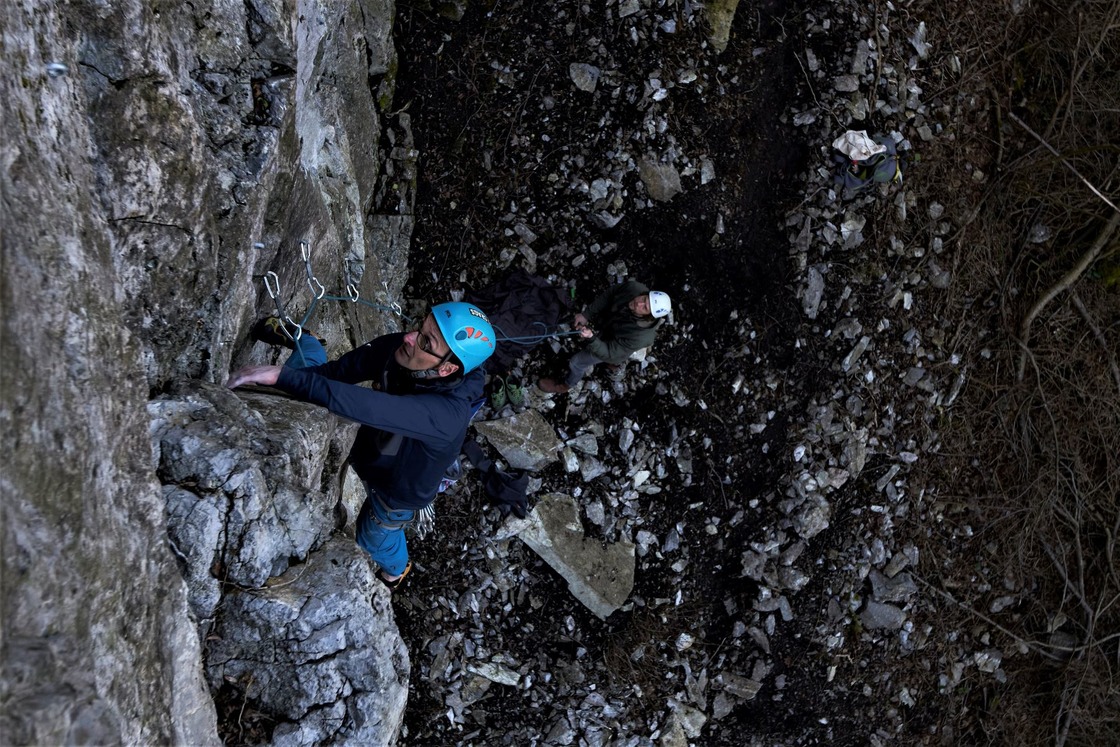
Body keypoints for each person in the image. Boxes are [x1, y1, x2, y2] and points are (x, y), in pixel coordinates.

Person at [226, 302, 496, 588]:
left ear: (447, 369)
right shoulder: (402, 349)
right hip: (371, 450)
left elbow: (370, 407)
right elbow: (334, 374)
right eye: (420, 326)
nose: (408, 337)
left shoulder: (447, 415)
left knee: (373, 539)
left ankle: (395, 572)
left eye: (425, 341)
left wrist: (282, 376)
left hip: (397, 493)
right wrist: (282, 377)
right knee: (306, 382)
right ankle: (307, 342)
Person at [538, 281, 671, 394]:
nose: (639, 303)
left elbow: (611, 352)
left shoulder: (639, 337)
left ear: (648, 316)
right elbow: (610, 294)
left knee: (577, 362)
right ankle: (610, 361)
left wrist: (591, 338)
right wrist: (586, 314)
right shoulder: (634, 288)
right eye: (644, 299)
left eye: (645, 307)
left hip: (614, 347)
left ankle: (566, 385)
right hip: (612, 325)